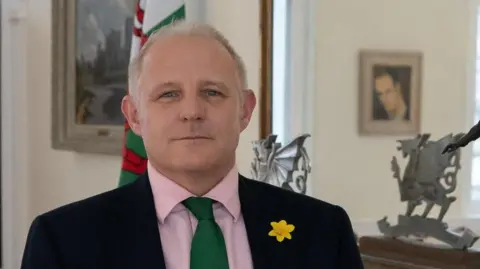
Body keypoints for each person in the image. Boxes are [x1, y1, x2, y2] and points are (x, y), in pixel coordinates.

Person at [21, 21, 364, 269]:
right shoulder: (65, 241)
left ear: (245, 110)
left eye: (212, 92)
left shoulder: (321, 230)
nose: (192, 112)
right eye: (169, 95)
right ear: (135, 116)